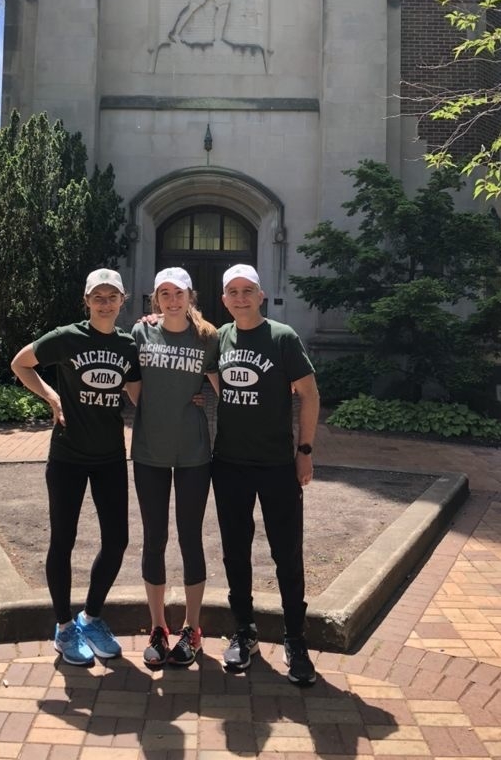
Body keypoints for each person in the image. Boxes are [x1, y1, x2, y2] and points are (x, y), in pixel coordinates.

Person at [10, 268, 141, 667]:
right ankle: (64, 627)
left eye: (111, 296)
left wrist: (185, 404)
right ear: (86, 301)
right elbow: (21, 363)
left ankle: (92, 616)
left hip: (110, 458)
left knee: (116, 540)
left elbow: (138, 394)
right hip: (67, 456)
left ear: (123, 300)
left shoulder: (127, 344)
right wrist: (51, 396)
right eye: (97, 296)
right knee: (62, 541)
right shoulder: (66, 337)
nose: (105, 302)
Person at [212, 264, 320, 685]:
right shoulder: (218, 337)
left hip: (277, 465)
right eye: (232, 292)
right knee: (235, 551)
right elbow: (207, 366)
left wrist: (304, 451)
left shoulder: (282, 337)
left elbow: (310, 394)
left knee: (286, 554)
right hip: (230, 464)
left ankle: (295, 638)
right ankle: (244, 632)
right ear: (224, 300)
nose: (240, 298)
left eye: (248, 291)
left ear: (261, 295)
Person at [131, 267, 219, 668]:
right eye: (164, 294)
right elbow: (126, 379)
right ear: (156, 300)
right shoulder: (140, 333)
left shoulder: (207, 338)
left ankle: (192, 628)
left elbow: (225, 386)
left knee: (190, 537)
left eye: (178, 292)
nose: (172, 300)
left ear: (190, 296)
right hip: (149, 450)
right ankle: (157, 627)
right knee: (154, 537)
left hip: (193, 453)